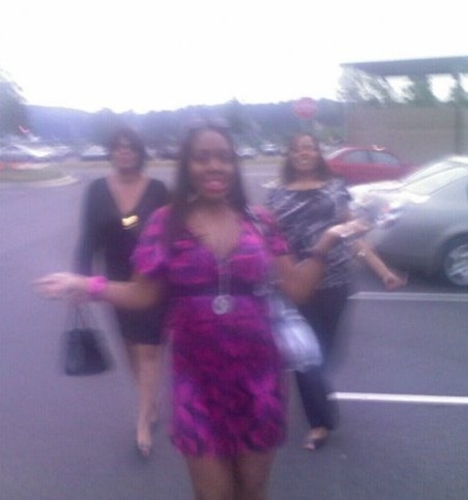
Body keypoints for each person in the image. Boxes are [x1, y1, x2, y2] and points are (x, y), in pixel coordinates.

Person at [36, 123, 367, 500]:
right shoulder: (166, 223)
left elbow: (298, 289)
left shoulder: (260, 221)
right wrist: (86, 286)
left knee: (252, 493)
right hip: (197, 385)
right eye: (202, 157)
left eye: (223, 157)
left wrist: (327, 242)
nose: (214, 166)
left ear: (234, 165)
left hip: (258, 381)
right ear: (186, 165)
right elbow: (143, 294)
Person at [266, 132, 406, 451]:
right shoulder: (276, 194)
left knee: (325, 355)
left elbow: (353, 234)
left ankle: (316, 395)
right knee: (305, 355)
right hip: (296, 283)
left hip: (336, 282)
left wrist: (383, 271)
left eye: (310, 148)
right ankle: (320, 423)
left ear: (318, 154)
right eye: (297, 149)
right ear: (290, 155)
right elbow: (269, 241)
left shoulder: (333, 189)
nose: (304, 153)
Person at [75, 126, 169, 457]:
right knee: (131, 347)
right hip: (116, 282)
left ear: (139, 152)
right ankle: (149, 402)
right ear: (111, 152)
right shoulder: (97, 190)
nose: (124, 151)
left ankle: (143, 421)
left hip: (154, 280)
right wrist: (80, 279)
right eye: (118, 147)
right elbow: (88, 237)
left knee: (149, 350)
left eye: (130, 147)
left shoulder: (158, 190)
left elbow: (174, 233)